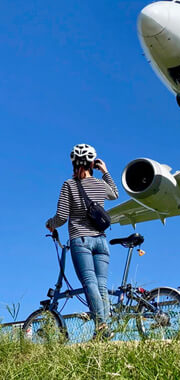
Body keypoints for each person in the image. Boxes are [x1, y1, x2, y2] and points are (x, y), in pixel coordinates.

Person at [46, 143, 119, 339]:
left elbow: (61, 217)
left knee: (89, 284)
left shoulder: (68, 185)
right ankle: (104, 329)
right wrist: (105, 171)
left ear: (73, 163)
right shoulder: (100, 184)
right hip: (102, 242)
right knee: (101, 286)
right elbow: (115, 193)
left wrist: (50, 224)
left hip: (81, 240)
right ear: (91, 163)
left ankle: (102, 327)